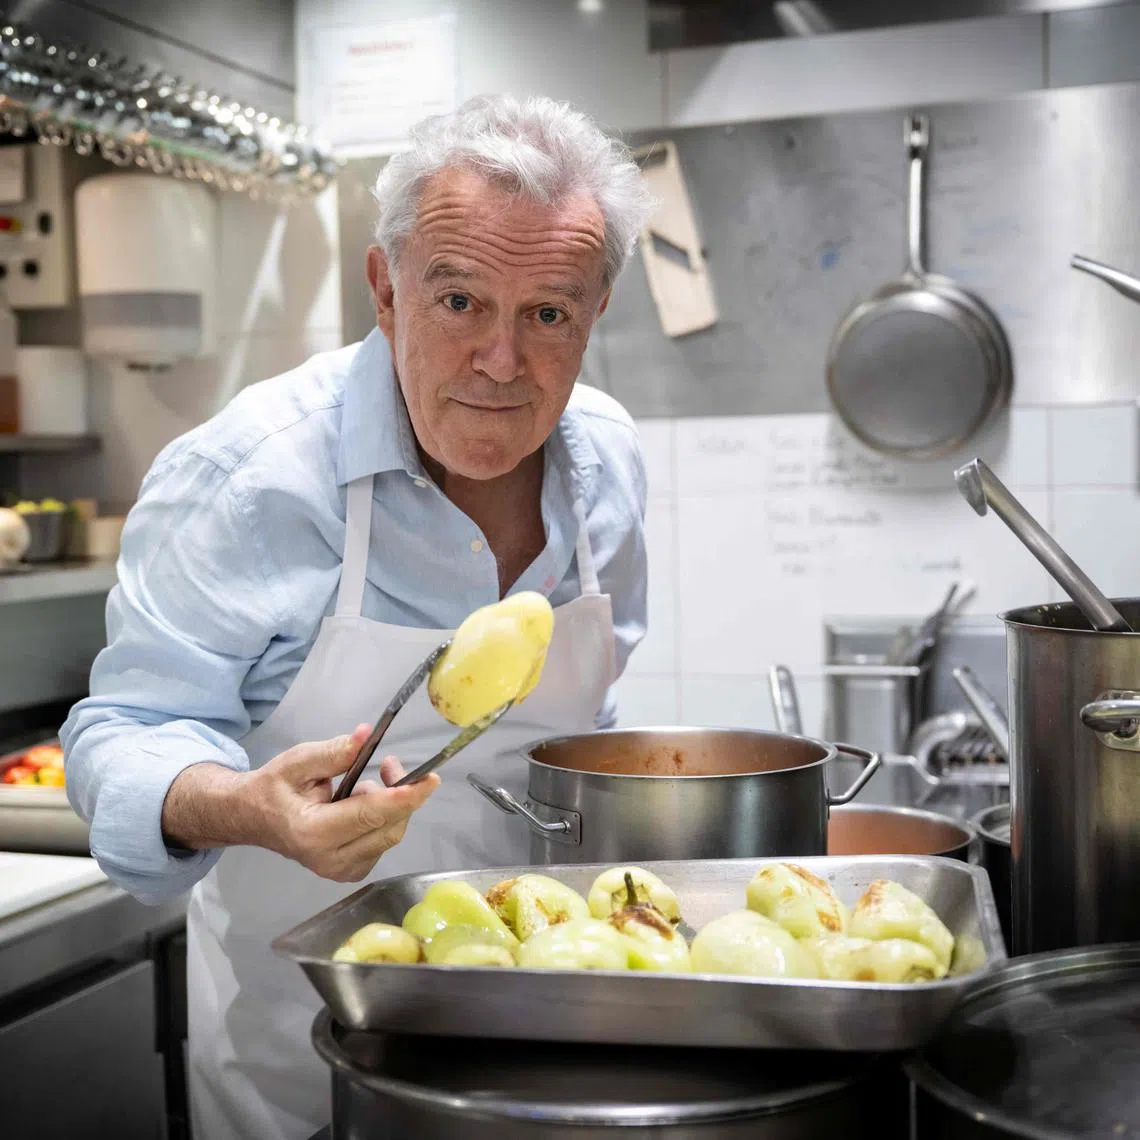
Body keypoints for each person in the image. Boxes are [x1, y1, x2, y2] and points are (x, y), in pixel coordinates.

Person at [60, 92, 655, 1140]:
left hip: (547, 1032)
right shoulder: (251, 478)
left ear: (595, 312)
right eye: (459, 301)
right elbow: (123, 735)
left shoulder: (606, 463)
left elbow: (589, 734)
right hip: (304, 1050)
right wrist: (249, 808)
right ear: (385, 290)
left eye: (548, 314)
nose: (502, 361)